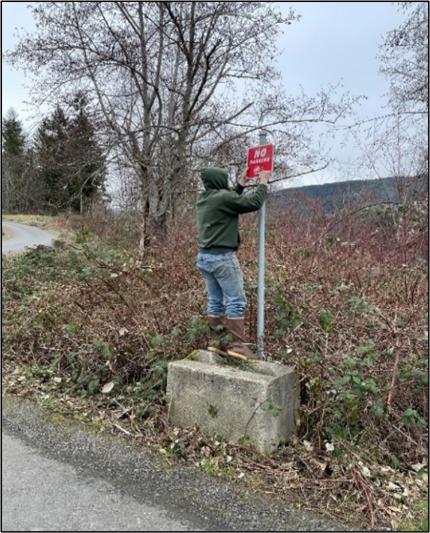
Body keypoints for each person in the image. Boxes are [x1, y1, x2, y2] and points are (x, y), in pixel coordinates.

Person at [196, 166, 270, 360]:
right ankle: (237, 347)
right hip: (223, 258)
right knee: (236, 300)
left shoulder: (204, 199)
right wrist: (263, 182)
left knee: (215, 301)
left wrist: (240, 184)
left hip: (204, 257)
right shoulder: (222, 198)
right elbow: (253, 202)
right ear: (220, 181)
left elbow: (228, 202)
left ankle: (217, 343)